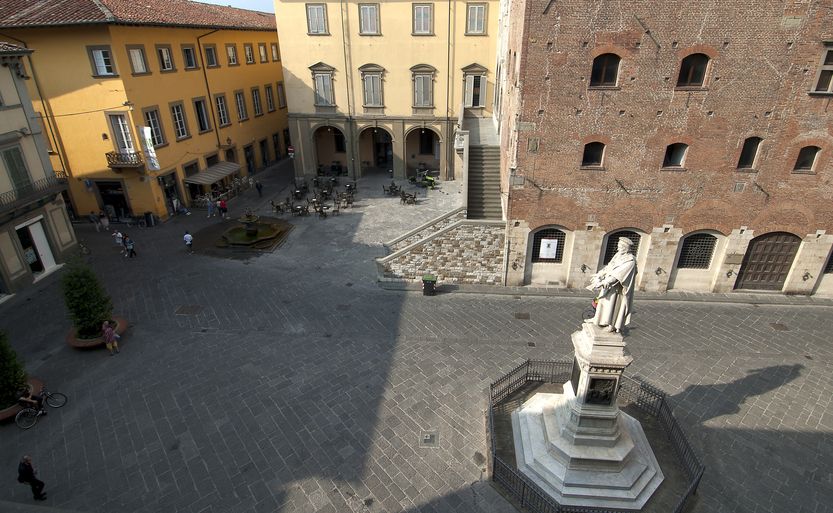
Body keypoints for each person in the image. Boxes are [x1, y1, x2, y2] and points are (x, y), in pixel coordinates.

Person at [586, 237, 638, 333]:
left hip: (618, 290)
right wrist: (600, 274)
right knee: (603, 303)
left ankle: (612, 324)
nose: (618, 249)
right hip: (608, 286)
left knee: (612, 306)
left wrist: (605, 282)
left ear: (626, 248)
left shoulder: (630, 261)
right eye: (618, 246)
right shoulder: (618, 255)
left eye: (620, 247)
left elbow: (618, 275)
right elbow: (610, 266)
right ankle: (597, 320)